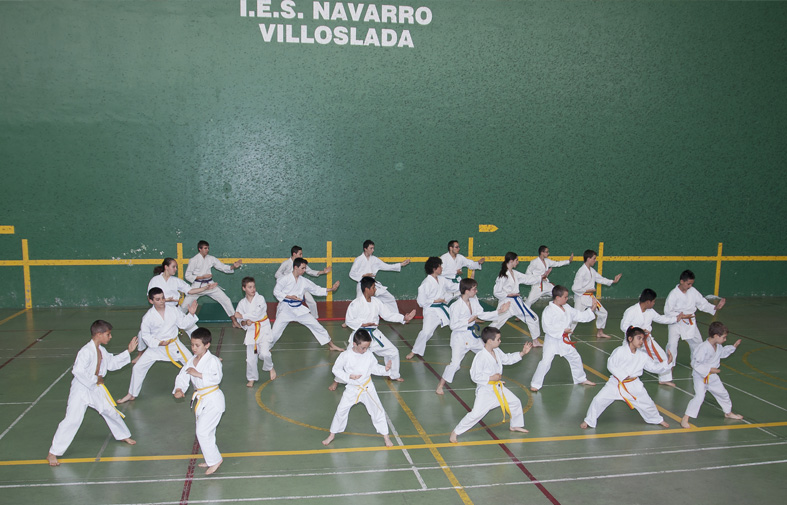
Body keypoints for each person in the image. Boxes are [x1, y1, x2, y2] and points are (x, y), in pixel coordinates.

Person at [47, 320, 138, 466]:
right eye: (108, 334)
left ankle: (123, 435)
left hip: (95, 389)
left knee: (110, 411)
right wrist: (95, 379)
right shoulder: (85, 351)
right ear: (99, 334)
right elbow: (77, 371)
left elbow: (112, 364)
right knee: (72, 420)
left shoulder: (101, 350)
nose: (110, 337)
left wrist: (128, 352)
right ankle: (53, 452)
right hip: (81, 389)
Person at [449, 326, 533, 443]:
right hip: (486, 390)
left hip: (498, 388)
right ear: (489, 341)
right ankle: (455, 432)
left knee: (515, 402)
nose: (500, 341)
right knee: (476, 414)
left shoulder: (497, 352)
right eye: (498, 339)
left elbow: (507, 359)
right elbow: (474, 375)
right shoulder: (481, 356)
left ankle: (515, 425)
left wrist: (522, 353)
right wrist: (491, 378)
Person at [581, 327, 675, 429]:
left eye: (642, 339)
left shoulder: (642, 356)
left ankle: (657, 419)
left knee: (648, 404)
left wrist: (667, 362)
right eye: (639, 338)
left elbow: (654, 367)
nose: (641, 341)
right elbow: (611, 365)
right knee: (598, 400)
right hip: (616, 383)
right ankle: (589, 421)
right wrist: (624, 375)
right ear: (630, 339)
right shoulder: (620, 351)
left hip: (634, 385)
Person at [117, 288, 198, 403]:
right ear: (151, 301)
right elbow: (145, 335)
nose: (162, 301)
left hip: (174, 345)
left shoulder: (172, 310)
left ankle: (199, 389)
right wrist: (158, 343)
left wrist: (191, 314)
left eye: (163, 298)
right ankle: (132, 394)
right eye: (158, 299)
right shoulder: (148, 317)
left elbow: (183, 324)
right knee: (138, 367)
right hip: (156, 348)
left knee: (191, 364)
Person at [332, 276, 415, 389]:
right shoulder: (355, 303)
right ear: (367, 289)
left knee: (393, 352)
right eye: (373, 287)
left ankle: (393, 374)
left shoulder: (377, 302)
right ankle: (337, 381)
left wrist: (403, 318)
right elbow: (349, 320)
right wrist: (363, 324)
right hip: (360, 336)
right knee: (348, 358)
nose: (375, 289)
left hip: (375, 335)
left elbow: (388, 315)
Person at [436, 278, 509, 395]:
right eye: (474, 289)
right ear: (466, 291)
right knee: (455, 364)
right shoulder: (455, 306)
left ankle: (496, 377)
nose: (476, 291)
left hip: (472, 336)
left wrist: (499, 312)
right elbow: (453, 326)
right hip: (459, 338)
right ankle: (440, 385)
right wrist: (469, 320)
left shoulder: (474, 301)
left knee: (492, 353)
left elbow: (482, 314)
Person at [322, 329, 394, 448]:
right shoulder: (345, 355)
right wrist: (348, 376)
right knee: (341, 411)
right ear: (355, 344)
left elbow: (374, 368)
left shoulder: (368, 354)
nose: (365, 350)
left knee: (378, 411)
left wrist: (385, 369)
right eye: (363, 348)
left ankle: (386, 437)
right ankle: (332, 435)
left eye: (367, 347)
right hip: (352, 388)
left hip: (367, 388)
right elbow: (336, 369)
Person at [173, 328, 225, 475]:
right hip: (202, 400)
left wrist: (198, 374)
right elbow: (183, 375)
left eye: (197, 345)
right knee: (207, 432)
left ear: (207, 345)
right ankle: (211, 459)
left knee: (202, 431)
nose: (194, 348)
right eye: (192, 345)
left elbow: (216, 378)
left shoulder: (213, 361)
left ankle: (215, 460)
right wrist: (179, 389)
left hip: (213, 400)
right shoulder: (191, 360)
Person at [530, 285, 597, 392]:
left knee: (575, 358)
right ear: (557, 297)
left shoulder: (567, 308)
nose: (567, 299)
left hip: (565, 341)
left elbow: (579, 316)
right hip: (552, 341)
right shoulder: (548, 310)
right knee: (545, 362)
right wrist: (562, 331)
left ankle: (580, 378)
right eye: (565, 297)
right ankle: (535, 384)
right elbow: (547, 327)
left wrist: (592, 309)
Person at [271, 258, 344, 354]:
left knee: (316, 326)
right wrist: (289, 296)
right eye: (303, 268)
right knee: (275, 332)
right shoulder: (284, 279)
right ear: (295, 267)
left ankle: (331, 345)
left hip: (299, 309)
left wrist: (331, 289)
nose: (304, 270)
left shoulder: (304, 281)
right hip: (286, 309)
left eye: (305, 268)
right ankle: (266, 348)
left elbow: (316, 289)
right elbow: (276, 292)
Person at [680, 321, 743, 429]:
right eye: (724, 337)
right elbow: (695, 364)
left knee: (723, 393)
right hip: (700, 376)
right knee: (699, 397)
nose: (725, 340)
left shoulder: (717, 346)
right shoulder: (703, 347)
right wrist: (709, 369)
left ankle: (728, 412)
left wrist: (733, 347)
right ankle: (685, 418)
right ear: (716, 336)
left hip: (712, 377)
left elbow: (722, 353)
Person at [620, 289, 685, 387]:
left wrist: (676, 319)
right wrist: (640, 330)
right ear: (647, 302)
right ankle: (623, 376)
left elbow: (661, 319)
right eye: (653, 301)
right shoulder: (631, 311)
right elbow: (623, 326)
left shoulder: (650, 311)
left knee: (662, 356)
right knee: (628, 358)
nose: (654, 303)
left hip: (647, 340)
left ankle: (664, 379)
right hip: (633, 341)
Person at [664, 269, 726, 367]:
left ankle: (697, 363)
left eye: (691, 284)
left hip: (690, 323)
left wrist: (715, 307)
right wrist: (682, 316)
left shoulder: (693, 291)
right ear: (682, 281)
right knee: (672, 345)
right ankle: (668, 367)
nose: (690, 286)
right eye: (688, 284)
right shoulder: (673, 294)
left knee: (697, 344)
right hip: (676, 323)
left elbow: (702, 303)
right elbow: (668, 311)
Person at [146, 258, 214, 343]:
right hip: (160, 311)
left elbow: (190, 291)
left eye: (176, 267)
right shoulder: (155, 280)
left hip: (175, 310)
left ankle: (202, 348)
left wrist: (205, 288)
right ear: (166, 267)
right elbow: (150, 297)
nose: (176, 269)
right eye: (173, 267)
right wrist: (165, 300)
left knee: (192, 328)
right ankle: (141, 354)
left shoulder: (176, 281)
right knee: (145, 333)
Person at [183, 240, 243, 329]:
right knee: (184, 306)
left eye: (208, 248)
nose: (207, 250)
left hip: (210, 285)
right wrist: (201, 277)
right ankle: (175, 323)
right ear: (200, 249)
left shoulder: (211, 258)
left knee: (225, 300)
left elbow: (222, 267)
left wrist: (233, 266)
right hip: (197, 287)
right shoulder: (193, 260)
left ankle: (234, 321)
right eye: (205, 248)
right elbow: (187, 275)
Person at [406, 256, 457, 360]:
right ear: (434, 269)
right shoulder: (425, 284)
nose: (442, 268)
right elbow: (421, 302)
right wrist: (434, 300)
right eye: (440, 266)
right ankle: (414, 351)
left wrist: (465, 285)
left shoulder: (442, 279)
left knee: (458, 323)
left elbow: (453, 286)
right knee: (426, 332)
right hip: (431, 311)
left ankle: (466, 344)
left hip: (443, 309)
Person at [489, 252, 545, 346]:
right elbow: (496, 292)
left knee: (497, 322)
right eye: (516, 260)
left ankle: (535, 341)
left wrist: (540, 277)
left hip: (513, 301)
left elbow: (527, 279)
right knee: (533, 318)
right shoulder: (503, 276)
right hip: (509, 302)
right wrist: (508, 294)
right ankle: (484, 339)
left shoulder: (514, 273)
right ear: (511, 261)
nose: (517, 262)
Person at [571, 249, 622, 338]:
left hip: (591, 298)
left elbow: (600, 279)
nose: (595, 260)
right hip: (581, 298)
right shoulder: (581, 272)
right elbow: (575, 288)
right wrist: (588, 290)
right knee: (576, 318)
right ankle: (566, 335)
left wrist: (613, 281)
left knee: (603, 313)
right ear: (588, 259)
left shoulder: (592, 271)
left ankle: (600, 332)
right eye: (594, 258)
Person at [234, 276, 275, 386]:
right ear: (244, 288)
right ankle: (251, 378)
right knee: (251, 358)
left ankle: (270, 367)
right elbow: (240, 321)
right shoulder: (242, 303)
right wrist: (244, 322)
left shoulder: (260, 299)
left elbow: (257, 314)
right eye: (250, 287)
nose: (253, 289)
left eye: (254, 286)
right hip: (251, 331)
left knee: (265, 354)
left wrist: (243, 316)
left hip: (263, 328)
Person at [349, 239, 410, 313]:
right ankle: (349, 320)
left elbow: (387, 266)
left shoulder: (375, 260)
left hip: (373, 285)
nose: (373, 250)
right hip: (363, 285)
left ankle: (395, 316)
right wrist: (363, 276)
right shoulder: (358, 260)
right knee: (358, 303)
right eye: (371, 248)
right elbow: (351, 273)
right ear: (365, 249)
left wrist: (401, 264)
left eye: (373, 248)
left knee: (389, 298)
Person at [274, 246, 331, 319]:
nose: (301, 256)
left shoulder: (301, 264)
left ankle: (315, 318)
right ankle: (278, 319)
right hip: (288, 288)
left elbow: (310, 271)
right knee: (281, 303)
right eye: (300, 254)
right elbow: (277, 274)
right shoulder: (286, 263)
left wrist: (323, 272)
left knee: (312, 302)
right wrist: (287, 279)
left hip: (300, 285)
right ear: (294, 254)